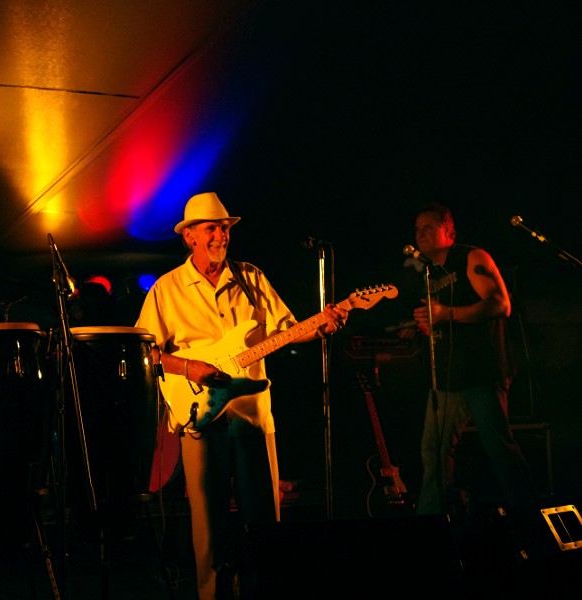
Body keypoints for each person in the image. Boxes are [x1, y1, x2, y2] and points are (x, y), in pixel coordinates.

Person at [135, 192, 348, 600]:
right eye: (212, 228)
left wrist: (321, 325)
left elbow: (287, 328)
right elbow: (148, 352)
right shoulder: (167, 289)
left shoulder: (251, 277)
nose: (221, 234)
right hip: (198, 414)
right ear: (190, 238)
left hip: (252, 415)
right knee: (208, 524)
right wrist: (190, 367)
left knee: (264, 519)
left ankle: (264, 588)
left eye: (225, 227)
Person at [401, 202, 539, 522]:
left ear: (448, 231)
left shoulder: (472, 256)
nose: (420, 235)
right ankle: (434, 522)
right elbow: (441, 318)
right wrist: (427, 323)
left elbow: (500, 304)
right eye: (416, 229)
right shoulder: (427, 273)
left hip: (482, 370)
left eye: (428, 228)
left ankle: (531, 519)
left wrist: (446, 314)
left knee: (498, 449)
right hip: (448, 375)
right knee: (433, 450)